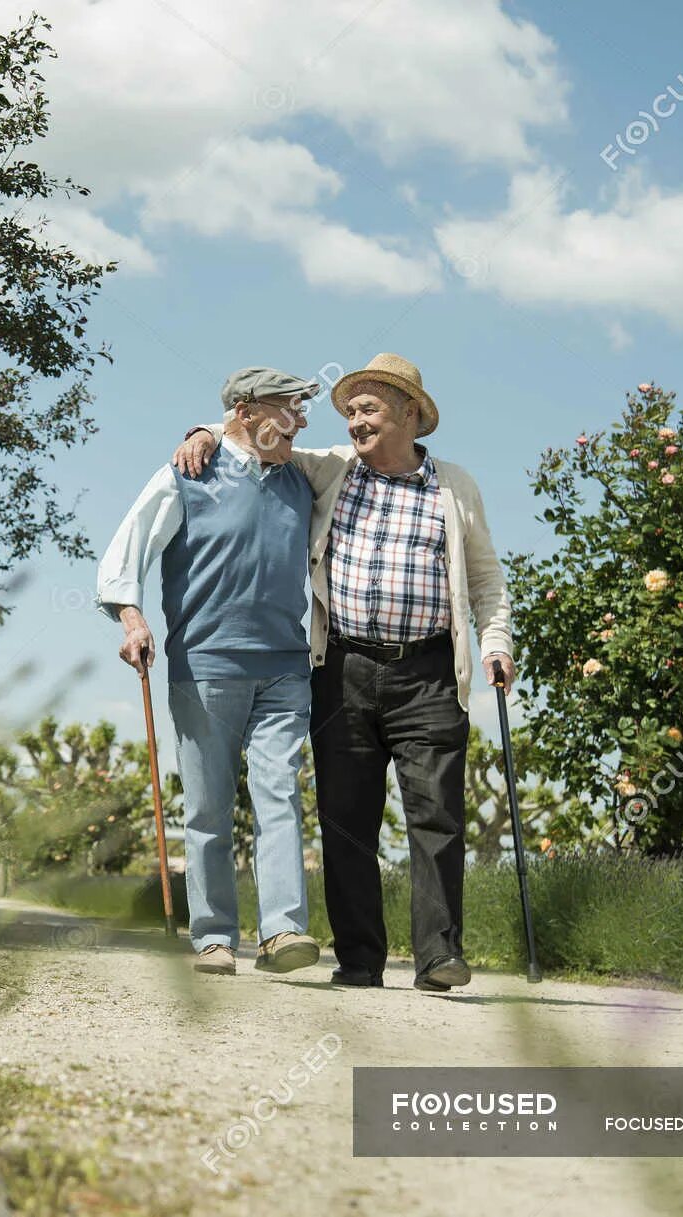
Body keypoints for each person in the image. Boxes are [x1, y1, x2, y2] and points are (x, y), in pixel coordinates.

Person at [172, 353, 513, 991]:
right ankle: (359, 960)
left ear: (410, 413)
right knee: (345, 819)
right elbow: (255, 433)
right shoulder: (329, 468)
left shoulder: (455, 487)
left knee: (437, 814)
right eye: (349, 410)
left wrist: (495, 642)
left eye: (368, 409)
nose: (354, 421)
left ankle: (439, 955)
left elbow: (487, 579)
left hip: (431, 672)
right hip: (344, 667)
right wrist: (204, 430)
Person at [97, 367, 322, 976]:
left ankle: (282, 932)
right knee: (208, 807)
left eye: (304, 410)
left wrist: (208, 427)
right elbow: (126, 549)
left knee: (280, 793)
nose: (302, 421)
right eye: (290, 408)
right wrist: (132, 620)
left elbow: (357, 451)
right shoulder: (187, 474)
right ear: (247, 411)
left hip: (284, 664)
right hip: (206, 662)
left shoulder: (302, 476)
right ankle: (215, 936)